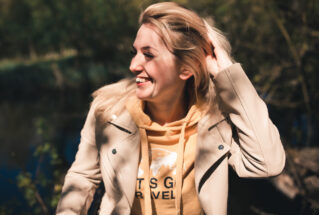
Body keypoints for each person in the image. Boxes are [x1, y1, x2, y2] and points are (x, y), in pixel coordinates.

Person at [56, 2, 285, 215]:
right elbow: (82, 177)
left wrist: (227, 73)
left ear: (186, 69)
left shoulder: (216, 120)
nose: (133, 65)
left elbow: (267, 164)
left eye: (148, 55)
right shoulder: (107, 110)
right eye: (134, 52)